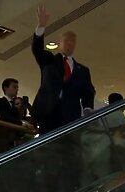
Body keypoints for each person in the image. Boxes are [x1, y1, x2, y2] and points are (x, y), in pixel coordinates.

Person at [31, 5, 95, 134]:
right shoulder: (49, 61)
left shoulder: (82, 70)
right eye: (67, 41)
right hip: (48, 113)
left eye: (73, 42)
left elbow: (88, 90)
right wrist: (41, 27)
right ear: (60, 43)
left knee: (68, 148)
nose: (70, 44)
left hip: (70, 116)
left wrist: (88, 107)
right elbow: (37, 49)